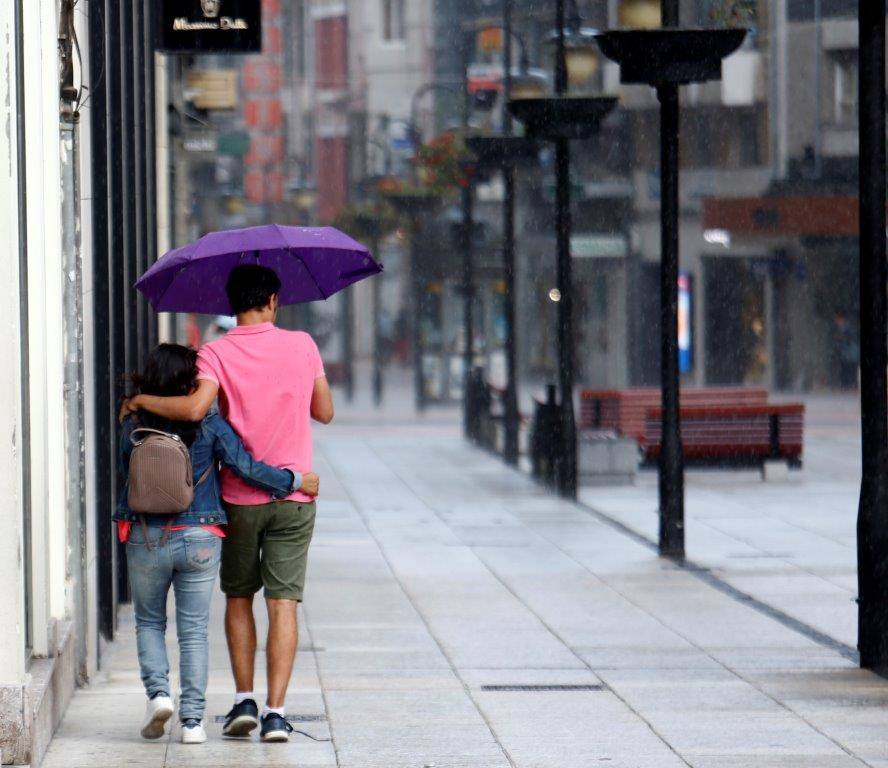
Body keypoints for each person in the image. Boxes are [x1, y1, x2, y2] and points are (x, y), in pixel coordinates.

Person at [121, 265, 334, 743]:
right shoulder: (303, 345)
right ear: (275, 300)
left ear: (229, 303)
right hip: (296, 496)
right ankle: (277, 713)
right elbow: (324, 411)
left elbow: (196, 410)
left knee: (239, 598)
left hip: (237, 498)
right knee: (284, 603)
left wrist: (141, 401)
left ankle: (244, 700)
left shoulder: (215, 353)